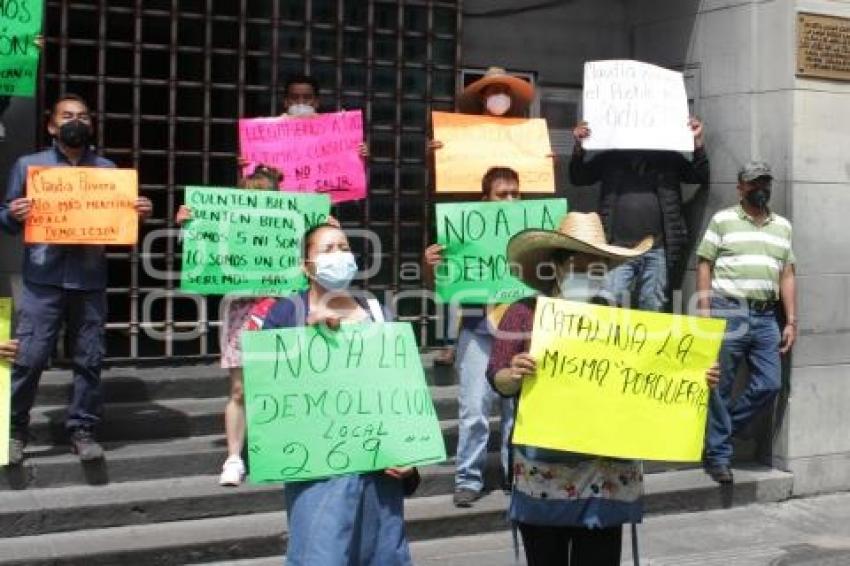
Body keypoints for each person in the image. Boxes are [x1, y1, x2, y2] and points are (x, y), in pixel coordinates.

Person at [487, 211, 720, 566]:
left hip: (605, 476)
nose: (590, 275)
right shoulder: (523, 313)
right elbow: (497, 378)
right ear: (558, 267)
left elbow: (651, 379)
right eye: (581, 266)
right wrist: (514, 374)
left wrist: (694, 378)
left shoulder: (618, 318)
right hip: (544, 474)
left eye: (598, 268)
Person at [0, 94, 153, 464]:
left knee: (90, 358)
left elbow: (119, 224)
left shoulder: (107, 171)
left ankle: (82, 428)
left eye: (83, 117)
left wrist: (139, 212)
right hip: (43, 280)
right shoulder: (29, 166)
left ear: (92, 125)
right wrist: (14, 213)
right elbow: (3, 217)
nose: (76, 122)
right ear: (52, 125)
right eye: (67, 116)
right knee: (30, 358)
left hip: (89, 280)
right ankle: (13, 429)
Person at [261, 223, 416, 566]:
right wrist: (306, 339)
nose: (339, 255)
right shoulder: (286, 314)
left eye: (344, 247)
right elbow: (268, 394)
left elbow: (400, 390)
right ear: (307, 266)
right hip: (320, 474)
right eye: (327, 249)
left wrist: (409, 453)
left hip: (380, 473)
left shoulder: (377, 312)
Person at [176, 164, 285, 486]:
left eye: (264, 196)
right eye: (250, 196)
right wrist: (189, 228)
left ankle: (278, 449)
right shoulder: (227, 226)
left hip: (282, 308)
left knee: (283, 382)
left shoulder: (291, 227)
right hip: (241, 310)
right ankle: (234, 457)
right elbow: (204, 254)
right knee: (240, 388)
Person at [423, 166, 522, 507]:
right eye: (502, 194)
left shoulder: (531, 234)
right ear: (485, 199)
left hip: (521, 334)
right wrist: (432, 266)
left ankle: (516, 476)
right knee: (474, 410)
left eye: (515, 193)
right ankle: (468, 478)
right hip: (478, 331)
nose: (510, 200)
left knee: (516, 412)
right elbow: (442, 291)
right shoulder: (463, 236)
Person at [696, 161, 797, 484]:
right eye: (753, 184)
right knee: (721, 387)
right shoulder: (723, 220)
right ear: (740, 187)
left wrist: (791, 320)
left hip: (767, 315)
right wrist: (705, 311)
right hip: (730, 311)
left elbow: (787, 273)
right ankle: (719, 458)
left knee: (770, 384)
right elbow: (704, 264)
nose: (760, 189)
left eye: (765, 183)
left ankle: (719, 435)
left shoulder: (782, 226)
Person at [569, 117, 709, 311]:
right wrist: (579, 146)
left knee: (653, 307)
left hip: (657, 250)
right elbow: (578, 177)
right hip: (618, 250)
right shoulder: (611, 158)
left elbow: (700, 176)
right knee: (608, 305)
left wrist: (697, 141)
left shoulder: (668, 159)